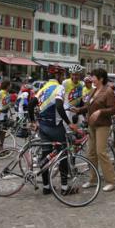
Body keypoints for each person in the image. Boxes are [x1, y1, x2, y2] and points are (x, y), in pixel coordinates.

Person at [28, 64, 80, 195]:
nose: (63, 78)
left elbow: (30, 105)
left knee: (46, 155)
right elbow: (58, 105)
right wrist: (69, 123)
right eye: (62, 75)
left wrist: (33, 121)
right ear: (58, 76)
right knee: (63, 154)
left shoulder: (43, 88)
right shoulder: (59, 87)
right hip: (55, 127)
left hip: (43, 127)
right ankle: (64, 188)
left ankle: (46, 187)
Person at [73, 68, 115, 192]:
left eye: (93, 77)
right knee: (90, 153)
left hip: (103, 125)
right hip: (92, 125)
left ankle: (112, 180)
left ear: (101, 79)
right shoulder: (94, 91)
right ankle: (93, 179)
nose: (91, 79)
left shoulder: (108, 91)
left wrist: (100, 111)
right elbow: (89, 106)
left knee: (101, 152)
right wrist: (79, 110)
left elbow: (113, 109)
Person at [0, 80, 13, 153]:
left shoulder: (7, 93)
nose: (11, 86)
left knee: (4, 132)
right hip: (0, 115)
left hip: (5, 115)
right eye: (10, 85)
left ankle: (1, 148)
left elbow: (7, 103)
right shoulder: (0, 93)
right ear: (7, 85)